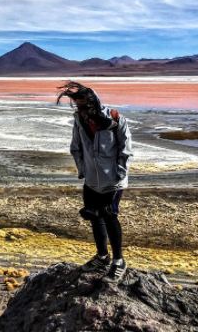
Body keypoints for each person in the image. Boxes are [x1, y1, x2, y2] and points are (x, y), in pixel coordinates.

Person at [57, 81, 132, 282]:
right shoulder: (80, 120)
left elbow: (125, 150)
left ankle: (119, 262)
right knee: (93, 216)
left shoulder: (116, 119)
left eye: (84, 107)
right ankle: (102, 257)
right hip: (91, 180)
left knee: (109, 216)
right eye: (78, 107)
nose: (81, 111)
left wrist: (119, 174)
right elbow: (76, 147)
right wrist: (83, 169)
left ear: (94, 103)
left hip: (113, 181)